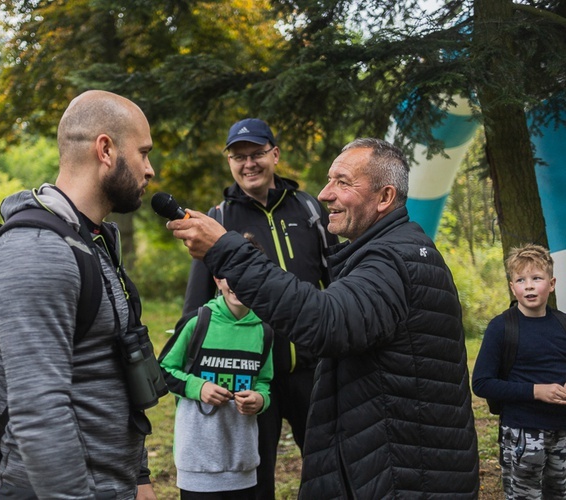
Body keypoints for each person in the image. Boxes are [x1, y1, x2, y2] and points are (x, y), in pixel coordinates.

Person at [166, 137, 479, 498]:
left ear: (385, 197)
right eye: (329, 180)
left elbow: (327, 321)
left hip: (405, 474)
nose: (326, 193)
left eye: (343, 182)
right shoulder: (388, 252)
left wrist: (228, 252)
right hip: (388, 459)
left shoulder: (393, 262)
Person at [0, 90, 158, 499]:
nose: (149, 170)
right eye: (143, 153)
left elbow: (111, 367)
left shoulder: (91, 240)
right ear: (106, 149)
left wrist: (139, 477)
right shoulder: (38, 252)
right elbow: (39, 415)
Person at [181, 118, 336, 499]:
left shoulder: (310, 210)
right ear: (229, 162)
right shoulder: (217, 220)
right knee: (255, 477)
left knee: (328, 464)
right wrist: (197, 375)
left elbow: (338, 281)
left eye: (256, 154)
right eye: (238, 157)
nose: (248, 163)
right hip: (249, 378)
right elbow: (196, 303)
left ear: (275, 155)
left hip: (309, 370)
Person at [161, 233, 274, 499]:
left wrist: (260, 399)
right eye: (228, 274)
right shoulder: (196, 322)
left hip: (242, 462)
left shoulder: (265, 331)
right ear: (217, 279)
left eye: (245, 272)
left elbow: (265, 383)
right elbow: (163, 371)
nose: (236, 282)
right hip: (196, 464)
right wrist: (197, 387)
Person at [472, 244, 566, 499]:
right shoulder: (501, 327)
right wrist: (535, 391)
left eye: (537, 278)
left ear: (552, 283)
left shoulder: (563, 324)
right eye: (521, 280)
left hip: (562, 432)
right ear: (513, 287)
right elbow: (481, 383)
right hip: (522, 433)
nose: (529, 286)